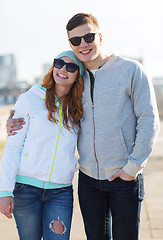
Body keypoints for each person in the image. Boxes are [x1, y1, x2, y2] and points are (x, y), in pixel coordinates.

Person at [6, 13, 160, 240]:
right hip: (88, 181)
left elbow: (149, 120)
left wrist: (132, 168)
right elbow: (48, 106)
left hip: (124, 177)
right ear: (70, 44)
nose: (83, 44)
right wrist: (15, 120)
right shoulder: (75, 77)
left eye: (88, 37)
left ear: (100, 36)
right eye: (75, 40)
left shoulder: (131, 70)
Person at [0, 50, 85, 240]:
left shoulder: (79, 107)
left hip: (60, 191)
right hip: (25, 189)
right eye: (59, 63)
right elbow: (13, 147)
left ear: (78, 75)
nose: (63, 69)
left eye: (71, 67)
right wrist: (4, 190)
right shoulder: (30, 99)